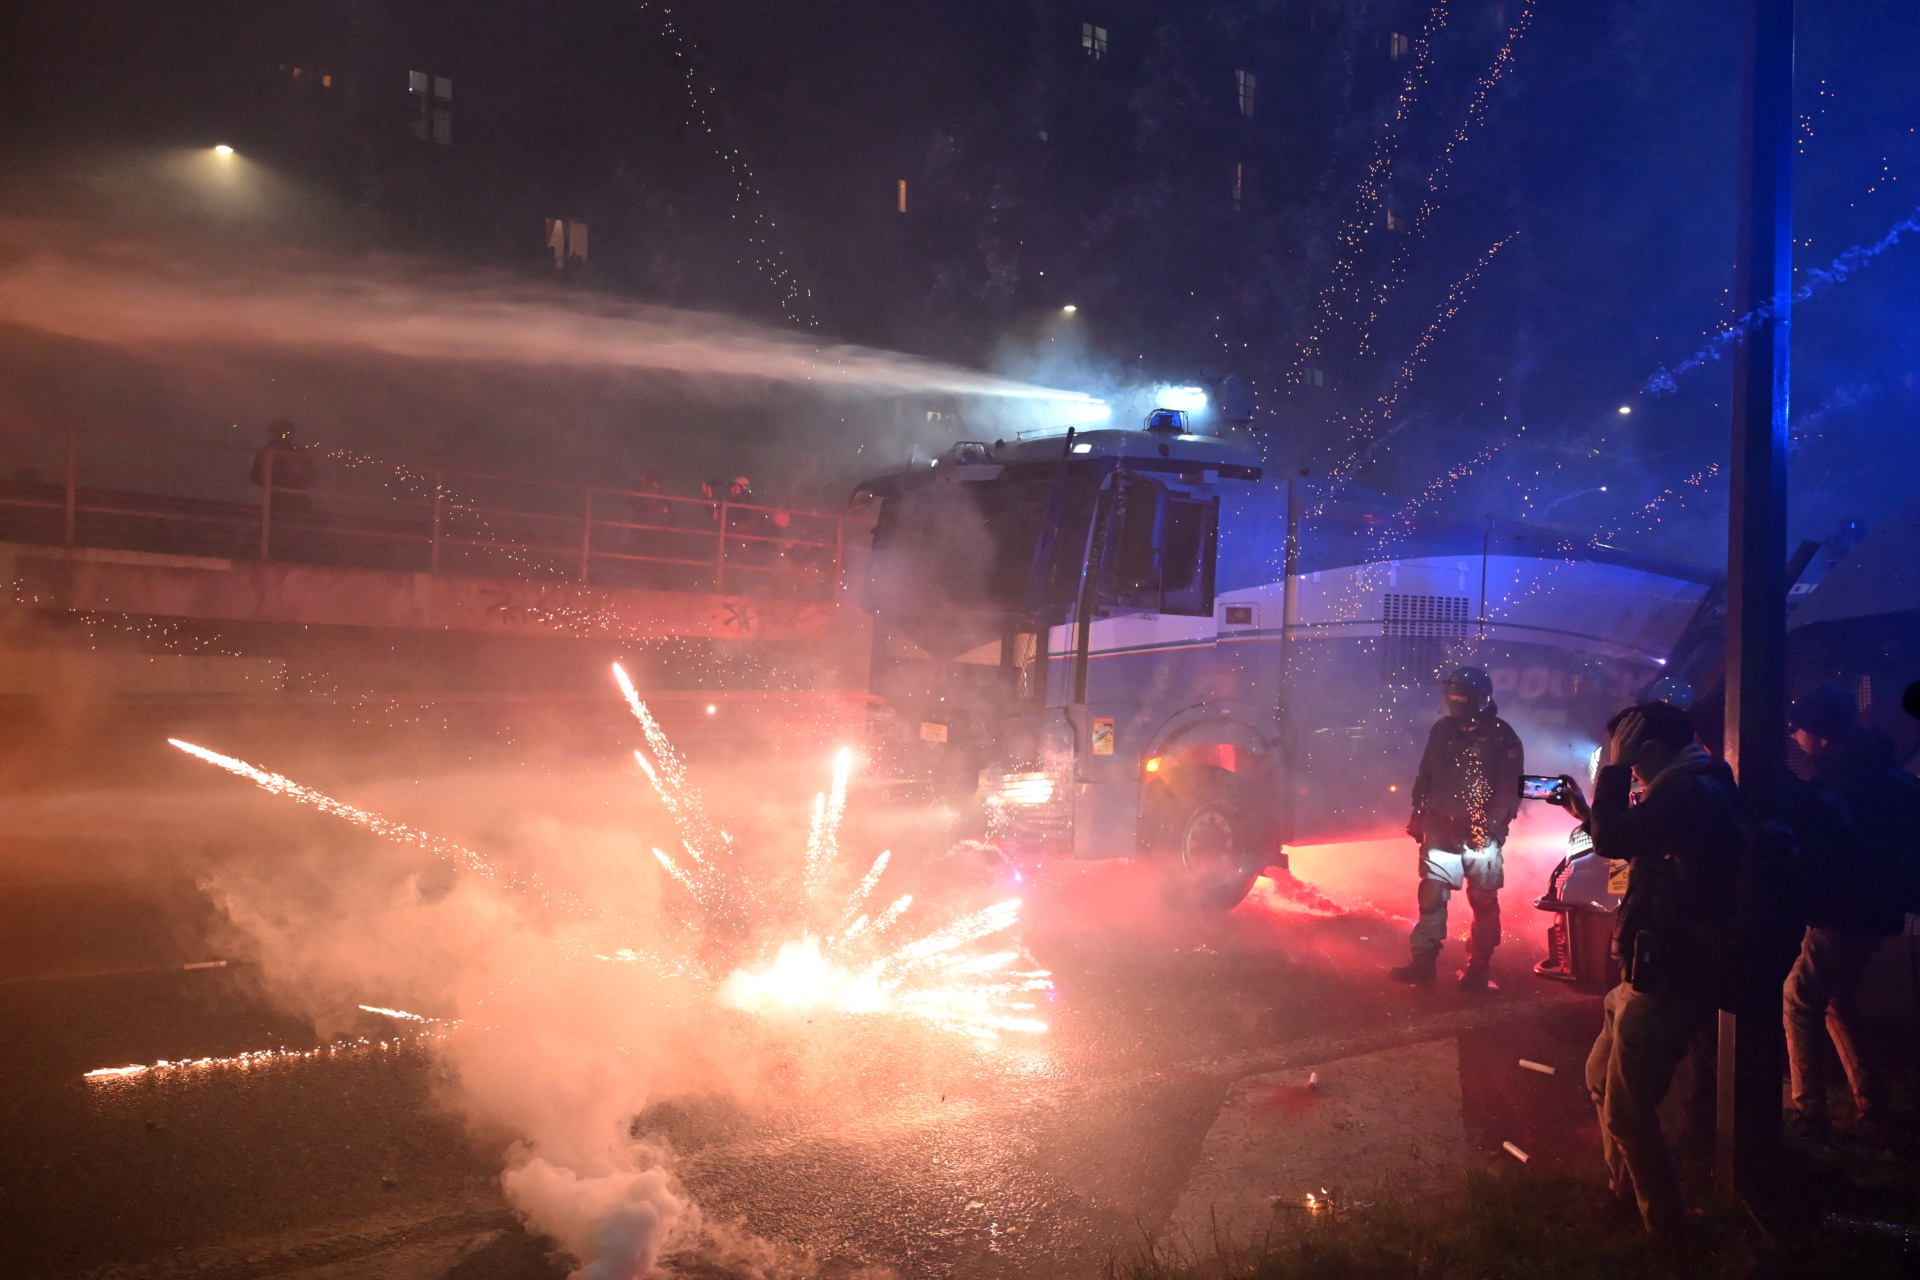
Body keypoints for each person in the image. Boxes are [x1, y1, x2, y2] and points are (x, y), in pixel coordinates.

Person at [1583, 701, 1742, 1238]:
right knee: (1601, 1081)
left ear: (1651, 751)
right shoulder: (1693, 786)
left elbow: (1611, 839)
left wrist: (1609, 773)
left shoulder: (1687, 790)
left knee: (1629, 1113)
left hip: (1669, 974)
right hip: (1653, 969)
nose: (1626, 766)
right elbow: (1634, 839)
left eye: (1629, 757)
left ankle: (1667, 1233)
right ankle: (1624, 1197)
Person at [1783, 684, 1920, 1132]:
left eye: (1798, 727)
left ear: (1817, 733)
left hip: (1839, 912)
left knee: (1799, 1000)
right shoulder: (1888, 773)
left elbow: (1817, 852)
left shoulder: (1831, 782)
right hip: (1880, 910)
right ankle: (1871, 1100)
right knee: (1838, 999)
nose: (1793, 736)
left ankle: (1809, 1110)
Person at [1390, 667, 1524, 989]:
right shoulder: (1442, 730)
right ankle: (1423, 963)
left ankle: (1479, 966)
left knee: (1483, 900)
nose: (1456, 701)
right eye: (1453, 695)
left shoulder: (1503, 736)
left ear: (1480, 698)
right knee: (1432, 895)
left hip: (1481, 833)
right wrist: (1418, 813)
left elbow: (1508, 791)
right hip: (1440, 826)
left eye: (1462, 695)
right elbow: (1426, 775)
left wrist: (1488, 828)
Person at [250, 418, 316, 512]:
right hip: (284, 499)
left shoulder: (266, 452)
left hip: (281, 499)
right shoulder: (298, 452)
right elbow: (311, 477)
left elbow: (255, 477)